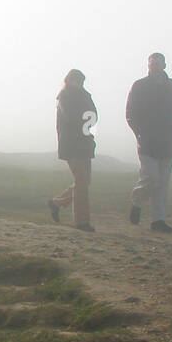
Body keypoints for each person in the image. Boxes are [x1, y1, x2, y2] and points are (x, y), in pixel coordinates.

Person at [125, 52, 172, 233]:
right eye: (152, 63)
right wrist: (139, 132)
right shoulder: (139, 86)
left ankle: (158, 220)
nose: (155, 66)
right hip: (147, 140)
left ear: (165, 65)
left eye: (159, 63)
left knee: (163, 183)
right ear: (148, 65)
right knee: (151, 177)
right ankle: (136, 201)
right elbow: (130, 112)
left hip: (168, 140)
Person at [48, 69, 97, 232]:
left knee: (84, 182)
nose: (78, 83)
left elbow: (93, 116)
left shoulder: (86, 96)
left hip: (84, 143)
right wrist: (86, 122)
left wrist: (90, 134)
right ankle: (82, 222)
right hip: (71, 144)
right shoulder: (64, 96)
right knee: (82, 181)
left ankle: (57, 203)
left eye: (81, 81)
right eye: (75, 80)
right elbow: (72, 117)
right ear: (68, 80)